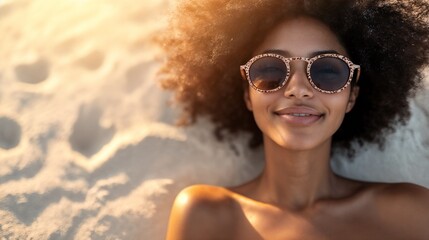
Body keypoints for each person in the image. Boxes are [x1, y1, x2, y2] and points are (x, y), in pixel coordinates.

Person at [157, 0, 429, 239]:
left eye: (327, 71)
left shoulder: (412, 213)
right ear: (248, 95)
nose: (298, 88)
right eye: (271, 70)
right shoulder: (205, 215)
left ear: (351, 96)